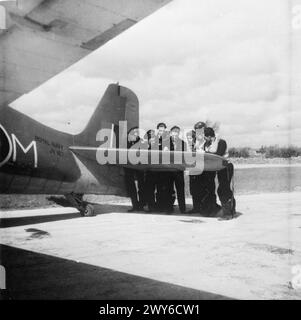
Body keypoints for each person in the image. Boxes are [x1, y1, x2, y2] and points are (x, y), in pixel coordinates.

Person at [203, 127, 235, 217]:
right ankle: (230, 210)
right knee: (221, 189)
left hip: (226, 167)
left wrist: (205, 153)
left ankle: (228, 213)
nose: (204, 139)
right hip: (217, 167)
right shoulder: (207, 143)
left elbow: (218, 154)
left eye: (205, 137)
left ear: (209, 136)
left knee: (223, 189)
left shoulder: (221, 142)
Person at [124, 127, 145, 212]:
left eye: (137, 133)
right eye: (134, 133)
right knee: (131, 187)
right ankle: (135, 206)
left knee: (141, 186)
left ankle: (141, 205)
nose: (135, 134)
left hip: (139, 167)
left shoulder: (141, 142)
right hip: (128, 167)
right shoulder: (124, 142)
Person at [155, 122, 174, 213]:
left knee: (168, 188)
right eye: (160, 130)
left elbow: (172, 150)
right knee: (159, 188)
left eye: (163, 130)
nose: (161, 132)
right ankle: (159, 206)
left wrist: (168, 149)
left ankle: (169, 207)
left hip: (167, 168)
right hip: (158, 168)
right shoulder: (154, 140)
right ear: (157, 130)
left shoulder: (169, 139)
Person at [170, 125, 187, 213]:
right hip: (168, 170)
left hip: (179, 170)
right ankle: (169, 208)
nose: (175, 133)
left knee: (180, 189)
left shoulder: (183, 143)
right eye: (174, 131)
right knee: (169, 189)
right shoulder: (166, 142)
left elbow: (185, 157)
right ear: (170, 132)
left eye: (177, 132)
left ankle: (182, 208)